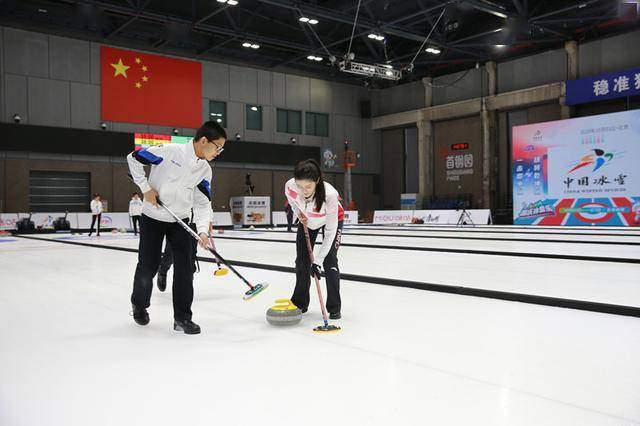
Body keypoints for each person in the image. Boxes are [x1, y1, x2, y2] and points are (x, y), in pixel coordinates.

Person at [126, 121, 226, 334]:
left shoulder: (204, 170)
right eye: (218, 147)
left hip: (181, 220)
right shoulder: (170, 152)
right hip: (152, 216)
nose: (219, 152)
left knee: (185, 269)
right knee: (148, 266)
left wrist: (202, 231)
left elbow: (201, 203)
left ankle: (182, 318)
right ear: (203, 141)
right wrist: (145, 188)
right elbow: (133, 158)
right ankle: (139, 304)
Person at [284, 159, 344, 320]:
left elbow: (331, 231)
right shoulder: (290, 185)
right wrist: (299, 214)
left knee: (329, 261)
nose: (303, 191)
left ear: (317, 181)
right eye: (300, 186)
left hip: (331, 220)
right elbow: (291, 201)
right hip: (308, 220)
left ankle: (334, 307)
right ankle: (300, 303)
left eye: (308, 187)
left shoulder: (329, 195)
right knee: (301, 261)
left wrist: (317, 261)